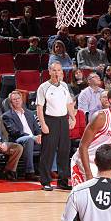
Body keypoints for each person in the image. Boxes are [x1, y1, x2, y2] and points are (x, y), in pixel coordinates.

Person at [36, 62, 77, 191]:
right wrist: (43, 124)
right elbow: (39, 107)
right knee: (48, 152)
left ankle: (63, 181)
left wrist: (72, 117)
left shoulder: (64, 86)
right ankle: (45, 181)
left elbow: (69, 104)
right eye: (54, 70)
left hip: (63, 120)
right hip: (50, 121)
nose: (56, 73)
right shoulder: (43, 87)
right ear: (49, 71)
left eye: (59, 70)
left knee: (64, 151)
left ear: (62, 72)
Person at [2, 90, 42, 181]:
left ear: (22, 99)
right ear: (11, 102)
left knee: (49, 139)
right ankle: (29, 172)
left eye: (18, 98)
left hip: (34, 138)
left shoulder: (30, 113)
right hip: (18, 139)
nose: (17, 100)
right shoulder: (7, 116)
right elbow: (14, 132)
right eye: (14, 99)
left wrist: (39, 135)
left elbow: (37, 129)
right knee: (29, 140)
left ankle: (48, 170)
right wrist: (32, 137)